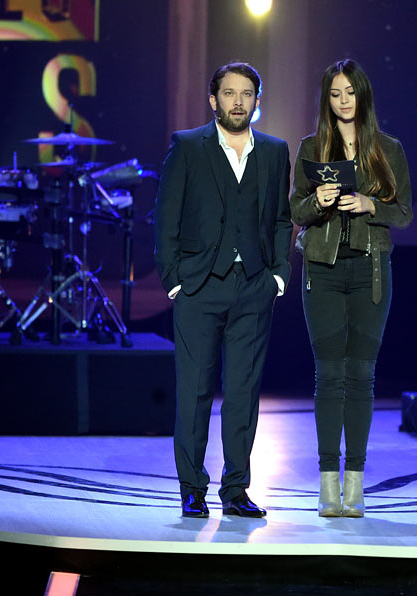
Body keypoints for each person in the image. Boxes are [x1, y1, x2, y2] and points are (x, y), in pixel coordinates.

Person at [154, 62, 292, 518]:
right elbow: (166, 218)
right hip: (198, 287)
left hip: (253, 287)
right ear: (213, 100)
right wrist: (174, 281)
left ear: (257, 101)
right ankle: (192, 488)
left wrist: (277, 275)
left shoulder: (274, 151)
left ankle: (236, 489)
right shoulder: (188, 146)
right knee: (193, 391)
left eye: (246, 93)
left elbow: (279, 219)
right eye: (229, 93)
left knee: (243, 393)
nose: (238, 101)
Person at [289, 59, 413, 517]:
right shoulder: (311, 147)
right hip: (320, 269)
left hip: (370, 271)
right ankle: (327, 485)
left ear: (363, 96)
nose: (343, 101)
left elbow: (403, 213)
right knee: (328, 375)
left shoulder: (388, 149)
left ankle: (355, 484)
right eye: (335, 93)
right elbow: (296, 212)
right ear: (327, 99)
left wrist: (369, 204)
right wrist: (315, 201)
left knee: (361, 375)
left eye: (350, 92)